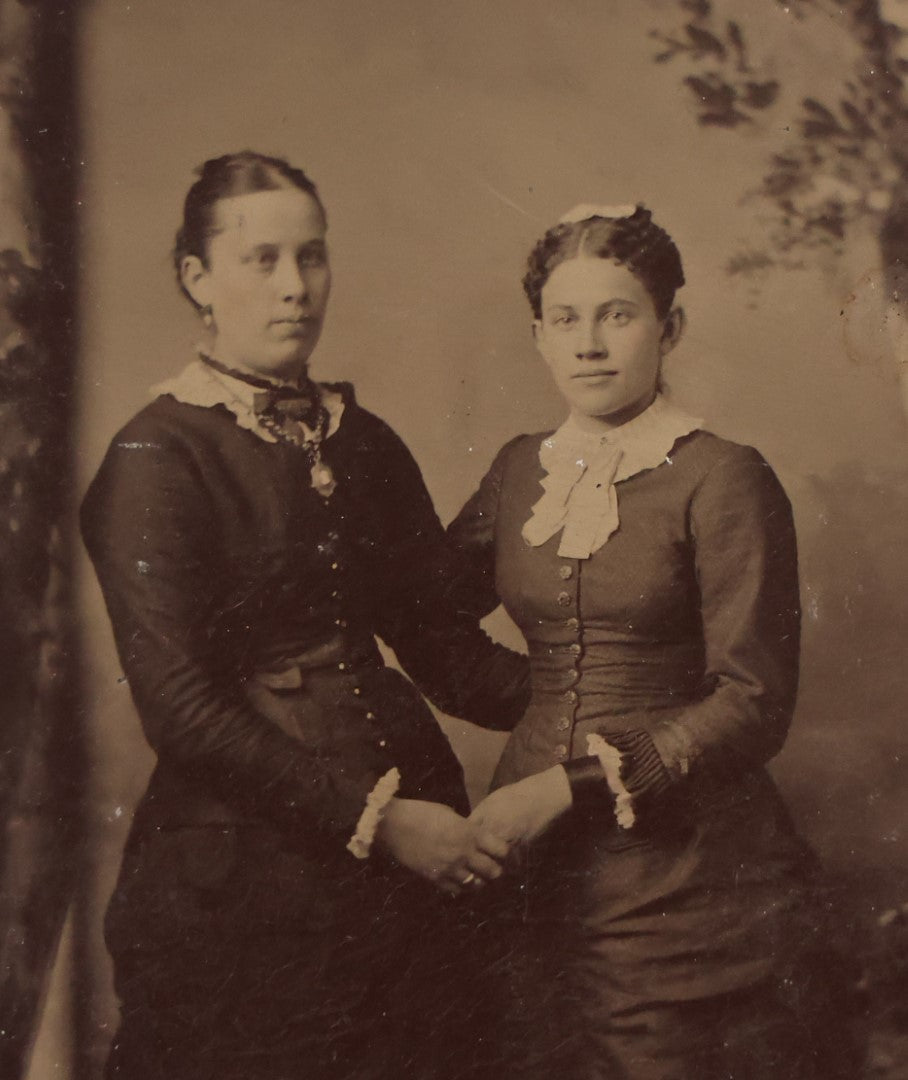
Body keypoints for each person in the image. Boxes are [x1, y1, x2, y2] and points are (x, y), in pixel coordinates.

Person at [80, 151, 529, 1080]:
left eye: (312, 256)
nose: (296, 286)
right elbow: (182, 710)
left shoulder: (363, 441)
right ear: (196, 277)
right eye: (264, 260)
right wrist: (381, 821)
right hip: (247, 873)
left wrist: (616, 699)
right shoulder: (156, 454)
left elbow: (443, 651)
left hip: (417, 850)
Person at [446, 204, 860, 1079]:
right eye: (566, 319)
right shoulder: (521, 469)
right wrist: (542, 707)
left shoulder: (724, 476)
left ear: (669, 327)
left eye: (618, 315)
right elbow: (428, 617)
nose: (590, 344)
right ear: (539, 336)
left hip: (683, 879)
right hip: (531, 857)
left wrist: (568, 779)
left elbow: (753, 701)